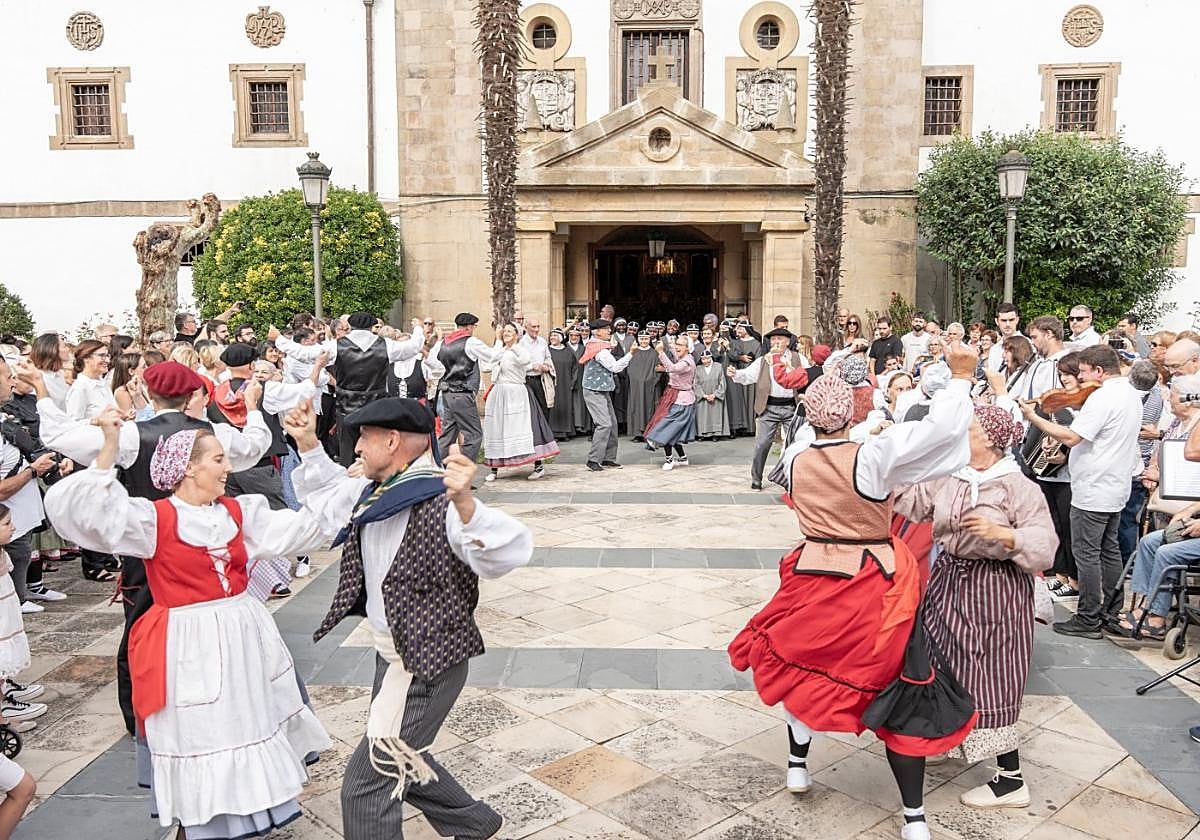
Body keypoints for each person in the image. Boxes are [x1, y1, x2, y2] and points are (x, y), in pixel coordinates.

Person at [729, 344, 979, 840]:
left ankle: (798, 766)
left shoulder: (797, 455)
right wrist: (961, 378)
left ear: (809, 413)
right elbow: (942, 433)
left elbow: (827, 443)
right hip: (873, 581)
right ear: (854, 411)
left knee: (805, 669)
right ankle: (912, 817)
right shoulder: (871, 456)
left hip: (811, 572)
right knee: (904, 682)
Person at [45, 412, 335, 839]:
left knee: (245, 723)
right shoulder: (153, 520)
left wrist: (313, 452)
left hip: (243, 634)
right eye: (219, 459)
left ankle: (241, 818)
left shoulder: (239, 513)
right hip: (188, 644)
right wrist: (107, 449)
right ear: (189, 468)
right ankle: (196, 824)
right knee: (202, 734)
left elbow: (310, 527)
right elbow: (84, 514)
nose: (228, 468)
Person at [288, 397, 532, 840]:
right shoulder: (376, 490)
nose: (357, 448)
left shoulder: (441, 499)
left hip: (427, 663)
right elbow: (327, 500)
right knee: (401, 750)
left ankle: (469, 821)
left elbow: (510, 550)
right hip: (395, 656)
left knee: (366, 786)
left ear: (393, 440)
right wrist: (306, 444)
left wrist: (467, 505)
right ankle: (471, 822)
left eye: (364, 438)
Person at [895, 406, 1056, 809]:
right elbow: (914, 504)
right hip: (950, 581)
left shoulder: (1017, 486)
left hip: (996, 591)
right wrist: (887, 464)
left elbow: (1045, 546)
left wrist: (1006, 534)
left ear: (988, 439)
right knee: (940, 663)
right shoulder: (952, 476)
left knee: (991, 676)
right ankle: (946, 737)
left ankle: (1011, 779)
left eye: (967, 430)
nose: (960, 435)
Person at [1020, 344, 1143, 638]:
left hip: (1094, 486)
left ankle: (1088, 617)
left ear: (1098, 371)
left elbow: (1073, 436)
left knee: (1086, 553)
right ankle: (1111, 610)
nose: (1082, 378)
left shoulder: (1103, 396)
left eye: (1085, 372)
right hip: (1115, 484)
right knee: (1109, 551)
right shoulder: (1130, 392)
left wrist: (1034, 417)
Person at [274, 312, 425, 465]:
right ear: (372, 326)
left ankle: (349, 483)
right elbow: (414, 347)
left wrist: (279, 339)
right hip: (376, 407)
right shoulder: (386, 345)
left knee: (347, 454)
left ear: (351, 326)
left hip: (346, 408)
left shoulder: (337, 345)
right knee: (377, 452)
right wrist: (418, 329)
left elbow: (304, 353)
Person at [482, 323, 560, 482]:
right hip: (499, 393)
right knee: (498, 429)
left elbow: (525, 360)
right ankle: (494, 469)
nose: (506, 333)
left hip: (516, 393)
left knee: (525, 428)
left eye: (510, 331)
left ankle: (538, 466)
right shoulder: (500, 351)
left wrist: (514, 346)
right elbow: (486, 366)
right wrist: (499, 343)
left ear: (517, 335)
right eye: (504, 331)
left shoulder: (520, 350)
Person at [730, 328, 805, 490]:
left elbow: (807, 375)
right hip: (769, 407)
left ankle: (789, 479)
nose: (776, 342)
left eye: (779, 339)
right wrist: (735, 373)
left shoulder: (798, 358)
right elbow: (748, 375)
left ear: (787, 341)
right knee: (762, 444)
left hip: (791, 407)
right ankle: (756, 478)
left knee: (793, 445)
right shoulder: (764, 360)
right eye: (773, 339)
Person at [425, 313, 499, 464]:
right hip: (462, 393)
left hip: (446, 392)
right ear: (469, 327)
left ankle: (438, 470)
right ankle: (463, 469)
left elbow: (431, 362)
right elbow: (492, 356)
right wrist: (498, 340)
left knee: (448, 434)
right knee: (474, 434)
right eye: (474, 327)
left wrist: (446, 371)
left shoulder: (443, 343)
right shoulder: (471, 342)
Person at [580, 319, 639, 472]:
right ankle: (593, 460)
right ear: (597, 331)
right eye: (606, 329)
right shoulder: (599, 350)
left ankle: (608, 458)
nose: (609, 331)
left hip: (601, 390)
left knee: (612, 423)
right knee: (604, 424)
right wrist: (631, 354)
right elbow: (615, 367)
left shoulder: (598, 345)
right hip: (593, 391)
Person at [644, 333, 698, 470]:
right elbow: (675, 354)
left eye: (680, 345)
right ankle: (683, 458)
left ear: (687, 348)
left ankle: (669, 460)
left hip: (682, 401)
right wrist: (666, 344)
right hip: (674, 396)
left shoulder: (687, 362)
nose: (677, 347)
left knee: (667, 429)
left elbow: (673, 368)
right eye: (677, 344)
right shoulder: (684, 356)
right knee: (673, 430)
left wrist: (661, 352)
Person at [66, 340, 117, 421]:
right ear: (86, 358)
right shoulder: (80, 388)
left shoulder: (103, 383)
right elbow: (73, 424)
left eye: (107, 356)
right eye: (102, 356)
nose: (107, 360)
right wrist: (97, 421)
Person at [624, 331, 659, 441]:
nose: (644, 341)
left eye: (646, 339)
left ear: (649, 339)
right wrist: (636, 380)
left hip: (650, 386)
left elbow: (658, 369)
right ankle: (637, 433)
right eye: (641, 339)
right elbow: (628, 368)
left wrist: (651, 380)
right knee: (636, 407)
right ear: (638, 340)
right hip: (636, 386)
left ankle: (649, 432)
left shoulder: (654, 353)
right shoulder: (633, 352)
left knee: (649, 408)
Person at [727, 322, 759, 437]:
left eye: (740, 328)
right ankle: (740, 426)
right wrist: (740, 357)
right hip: (738, 372)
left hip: (750, 373)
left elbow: (758, 359)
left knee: (750, 399)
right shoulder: (736, 342)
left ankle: (750, 427)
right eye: (737, 328)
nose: (738, 330)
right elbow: (733, 355)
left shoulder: (756, 343)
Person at [546, 328, 577, 440]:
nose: (552, 338)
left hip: (566, 383)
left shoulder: (568, 351)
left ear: (561, 338)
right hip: (551, 383)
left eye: (555, 335)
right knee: (553, 407)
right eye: (551, 336)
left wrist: (572, 382)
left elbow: (575, 368)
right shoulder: (547, 350)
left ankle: (565, 432)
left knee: (566, 406)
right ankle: (553, 433)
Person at [518, 317, 552, 420]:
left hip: (541, 380)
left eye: (538, 326)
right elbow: (517, 364)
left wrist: (546, 366)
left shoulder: (542, 341)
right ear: (526, 327)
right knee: (529, 410)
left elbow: (548, 357)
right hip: (526, 380)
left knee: (544, 408)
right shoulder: (521, 343)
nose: (536, 329)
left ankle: (543, 434)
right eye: (533, 327)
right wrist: (532, 366)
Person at [694, 351, 729, 440]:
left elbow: (722, 382)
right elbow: (695, 384)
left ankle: (716, 434)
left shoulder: (718, 367)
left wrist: (715, 395)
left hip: (715, 396)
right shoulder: (698, 369)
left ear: (711, 358)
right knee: (703, 416)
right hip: (703, 396)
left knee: (715, 415)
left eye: (707, 358)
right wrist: (703, 395)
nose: (705, 361)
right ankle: (703, 434)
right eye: (703, 359)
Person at [112, 352, 153, 421]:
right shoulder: (122, 392)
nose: (147, 368)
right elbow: (130, 421)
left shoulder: (141, 385)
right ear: (131, 371)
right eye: (143, 367)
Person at [987, 303, 1024, 372]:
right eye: (1003, 320)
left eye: (1011, 320)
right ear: (996, 321)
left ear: (1017, 320)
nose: (1008, 324)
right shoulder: (994, 349)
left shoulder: (1028, 345)